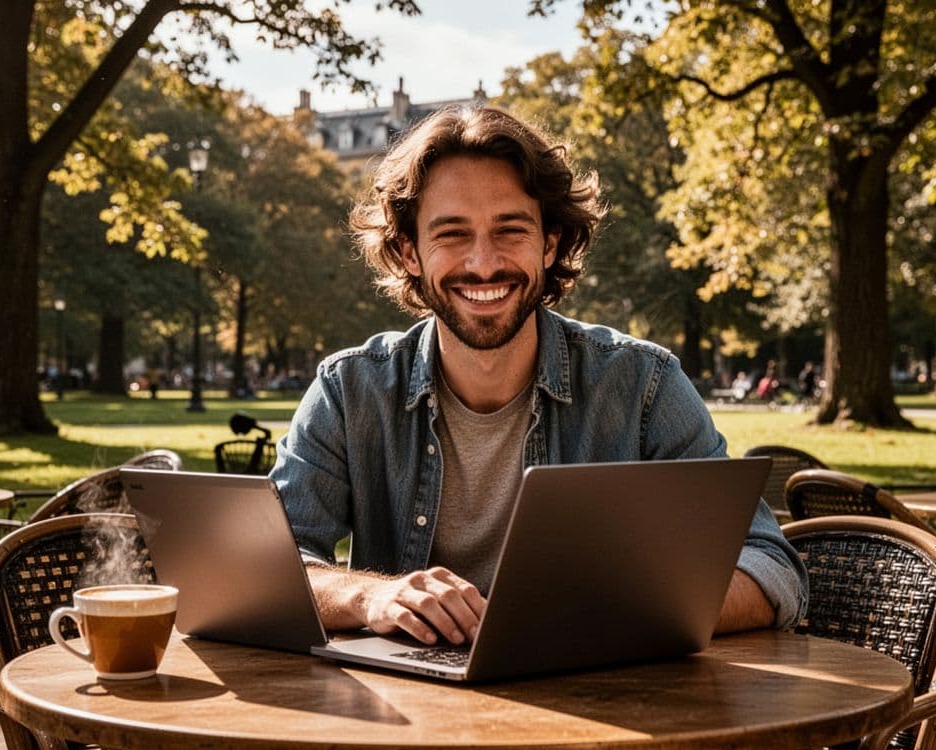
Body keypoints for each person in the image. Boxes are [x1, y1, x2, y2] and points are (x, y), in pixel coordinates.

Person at [270, 106, 807, 669]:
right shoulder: (348, 389)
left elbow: (769, 565)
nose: (484, 264)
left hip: (609, 725)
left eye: (511, 230)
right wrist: (372, 595)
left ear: (549, 245)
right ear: (409, 251)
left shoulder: (643, 386)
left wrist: (600, 614)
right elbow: (272, 567)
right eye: (452, 234)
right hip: (406, 726)